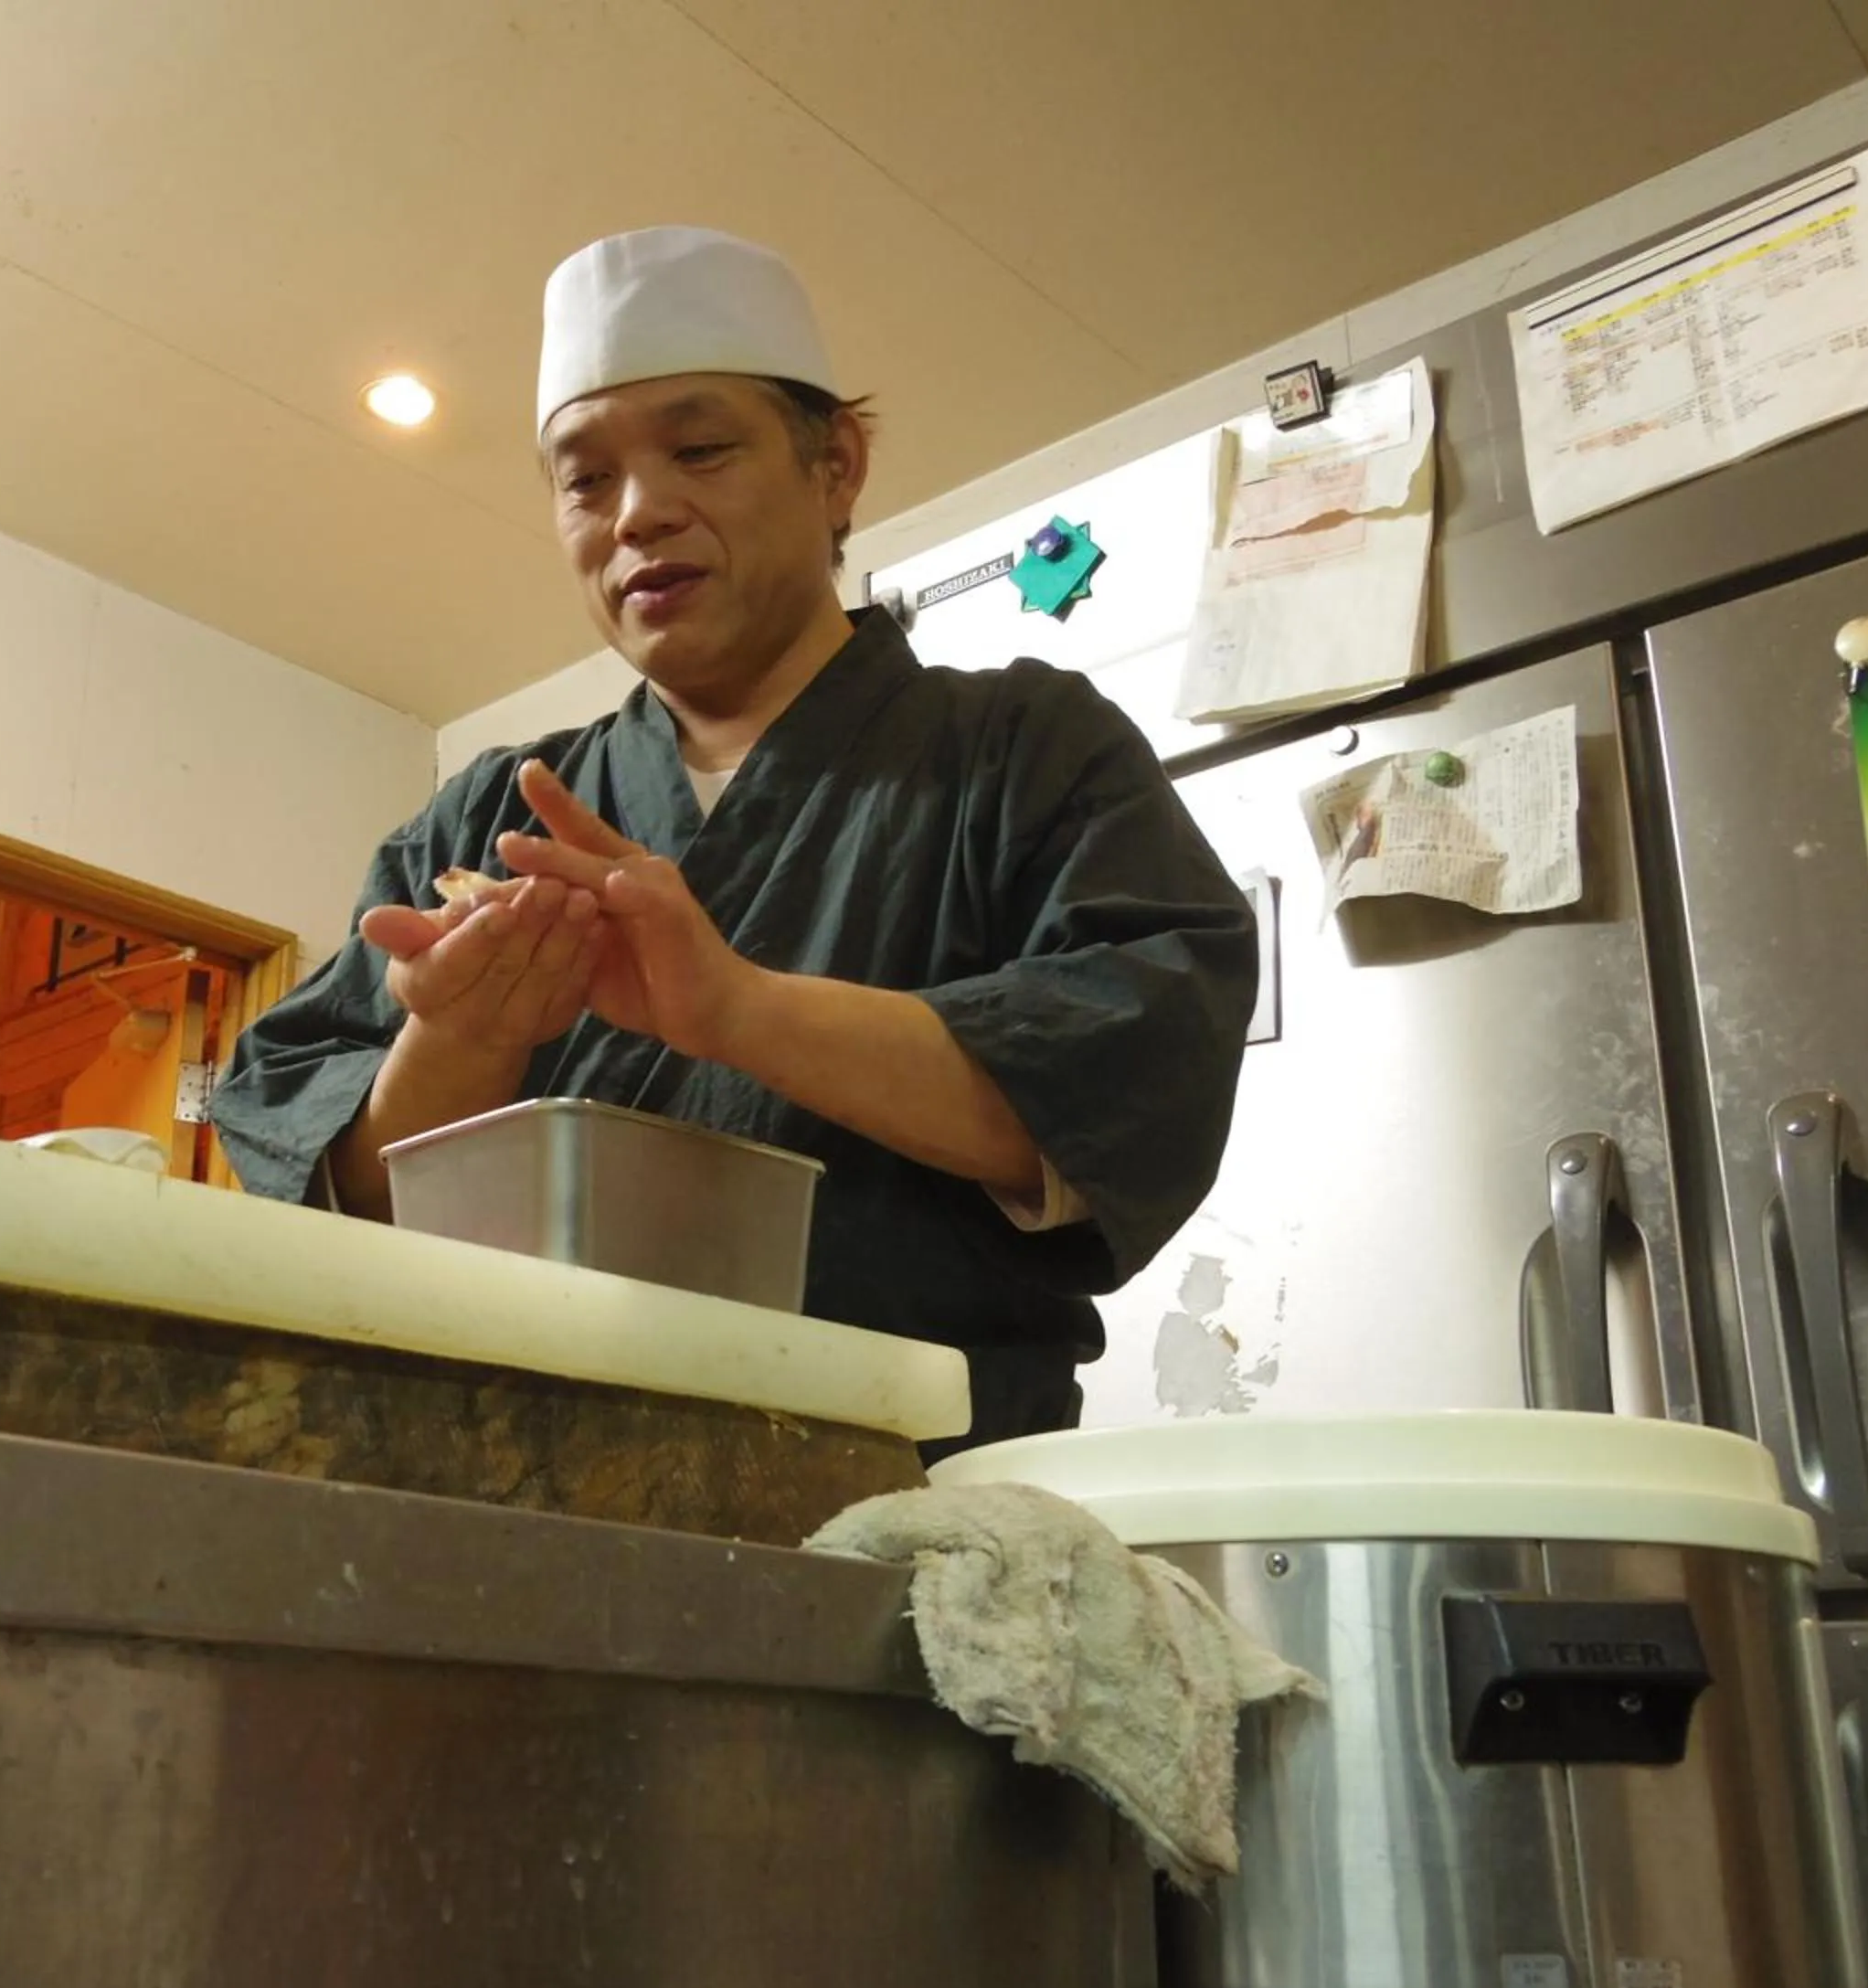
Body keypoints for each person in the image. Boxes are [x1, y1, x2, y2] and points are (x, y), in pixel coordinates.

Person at [214, 226, 1256, 1451]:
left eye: (700, 448)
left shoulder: (1021, 750)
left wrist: (739, 1008)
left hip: (911, 1515)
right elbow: (337, 1192)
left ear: (837, 467)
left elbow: (1133, 1072)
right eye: (584, 479)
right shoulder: (490, 817)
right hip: (499, 1495)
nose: (639, 512)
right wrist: (462, 1033)